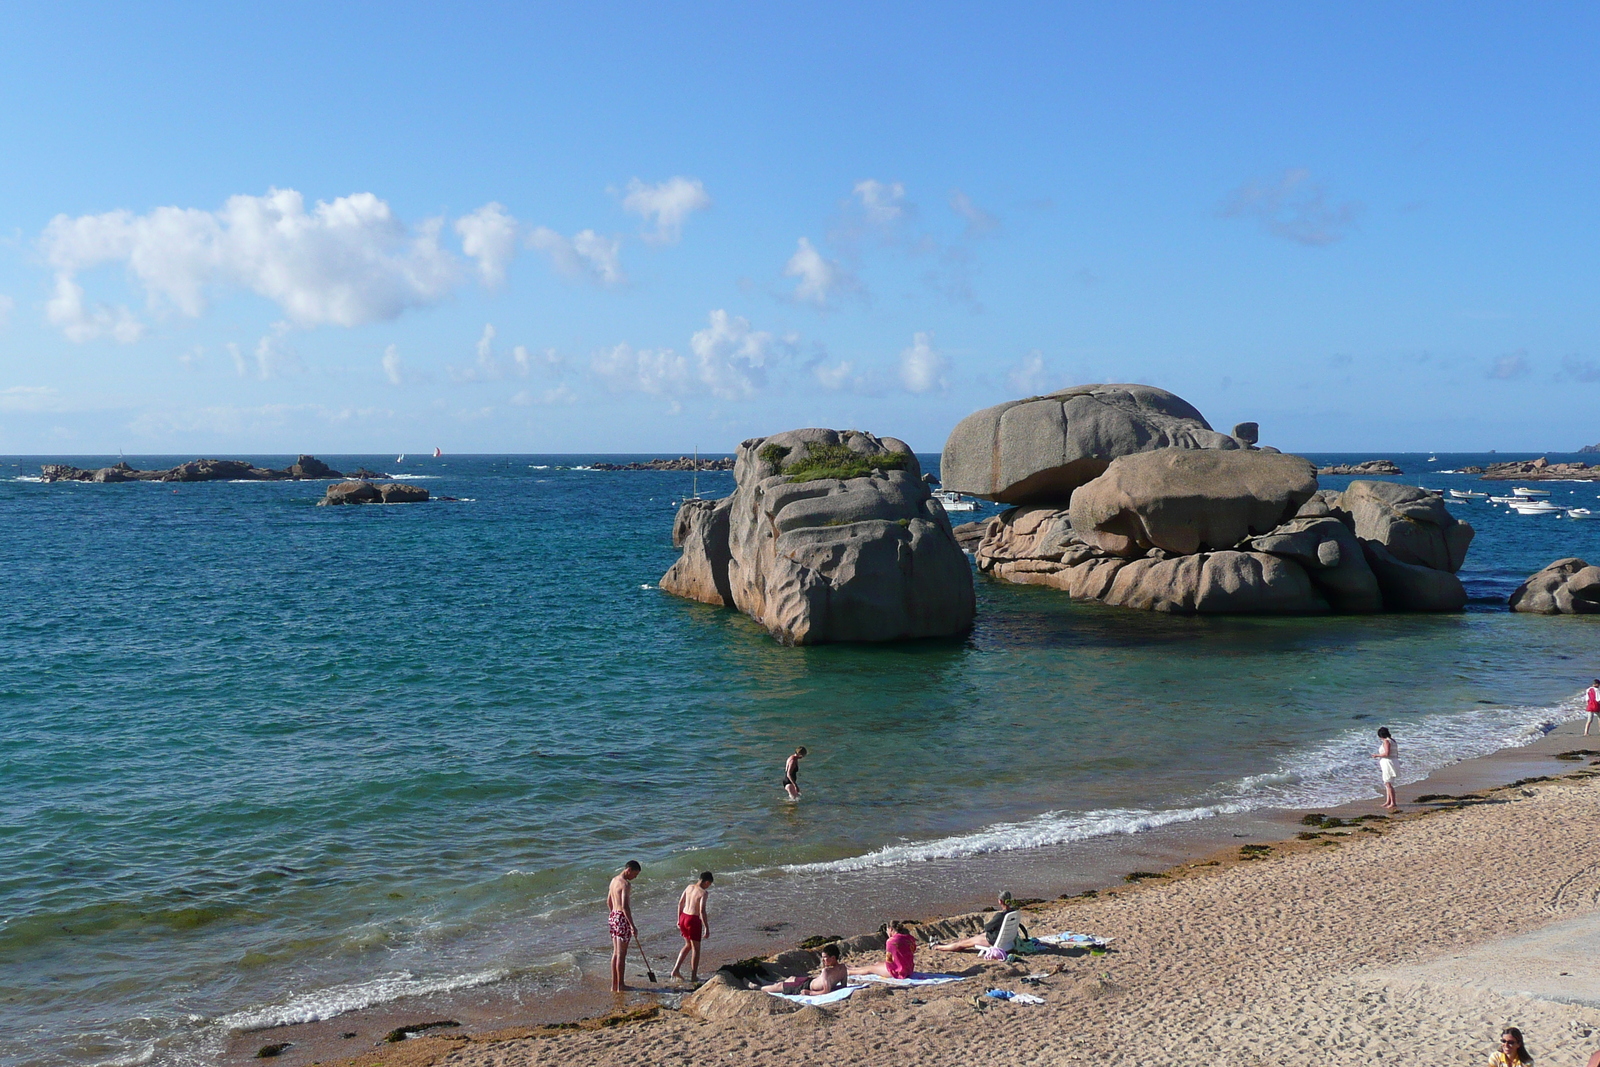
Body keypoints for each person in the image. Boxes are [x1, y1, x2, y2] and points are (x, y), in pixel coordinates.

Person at [932, 891, 1027, 952]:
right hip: (1007, 939)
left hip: (995, 941)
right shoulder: (1014, 912)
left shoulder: (1000, 915)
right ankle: (946, 945)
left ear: (1000, 901)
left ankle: (937, 947)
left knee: (962, 944)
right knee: (972, 938)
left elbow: (987, 927)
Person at [670, 871, 713, 983]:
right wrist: (706, 927)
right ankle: (694, 976)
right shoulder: (703, 893)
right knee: (696, 950)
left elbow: (680, 903)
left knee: (688, 945)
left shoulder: (689, 887)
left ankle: (676, 970)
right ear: (707, 882)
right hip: (693, 920)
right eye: (709, 884)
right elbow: (702, 911)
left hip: (683, 916)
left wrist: (678, 919)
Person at [761, 942, 848, 995]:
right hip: (809, 981)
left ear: (833, 958)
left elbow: (826, 991)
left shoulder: (826, 971)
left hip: (806, 986)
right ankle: (765, 983)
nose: (823, 960)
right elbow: (843, 986)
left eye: (825, 957)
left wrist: (809, 993)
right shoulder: (843, 968)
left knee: (780, 986)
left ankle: (759, 988)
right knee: (791, 978)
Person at [606, 861, 641, 993]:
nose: (635, 877)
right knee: (621, 954)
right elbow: (625, 907)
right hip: (621, 917)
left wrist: (613, 915)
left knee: (615, 953)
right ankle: (621, 985)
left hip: (613, 916)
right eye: (635, 874)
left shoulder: (614, 880)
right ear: (629, 870)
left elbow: (608, 901)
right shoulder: (625, 884)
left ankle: (614, 985)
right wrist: (632, 926)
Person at [848, 920, 917, 980]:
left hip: (897, 971)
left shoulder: (891, 941)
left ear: (891, 929)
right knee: (877, 964)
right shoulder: (910, 938)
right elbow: (912, 950)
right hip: (908, 968)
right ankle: (854, 969)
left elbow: (889, 959)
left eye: (887, 930)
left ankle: (849, 972)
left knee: (871, 969)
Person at [1372, 727, 1399, 811]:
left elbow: (1387, 753)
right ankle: (1388, 801)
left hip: (1388, 762)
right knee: (1387, 782)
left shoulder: (1386, 741)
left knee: (1388, 783)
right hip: (1393, 761)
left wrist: (1377, 755)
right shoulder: (1392, 740)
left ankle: (1393, 803)